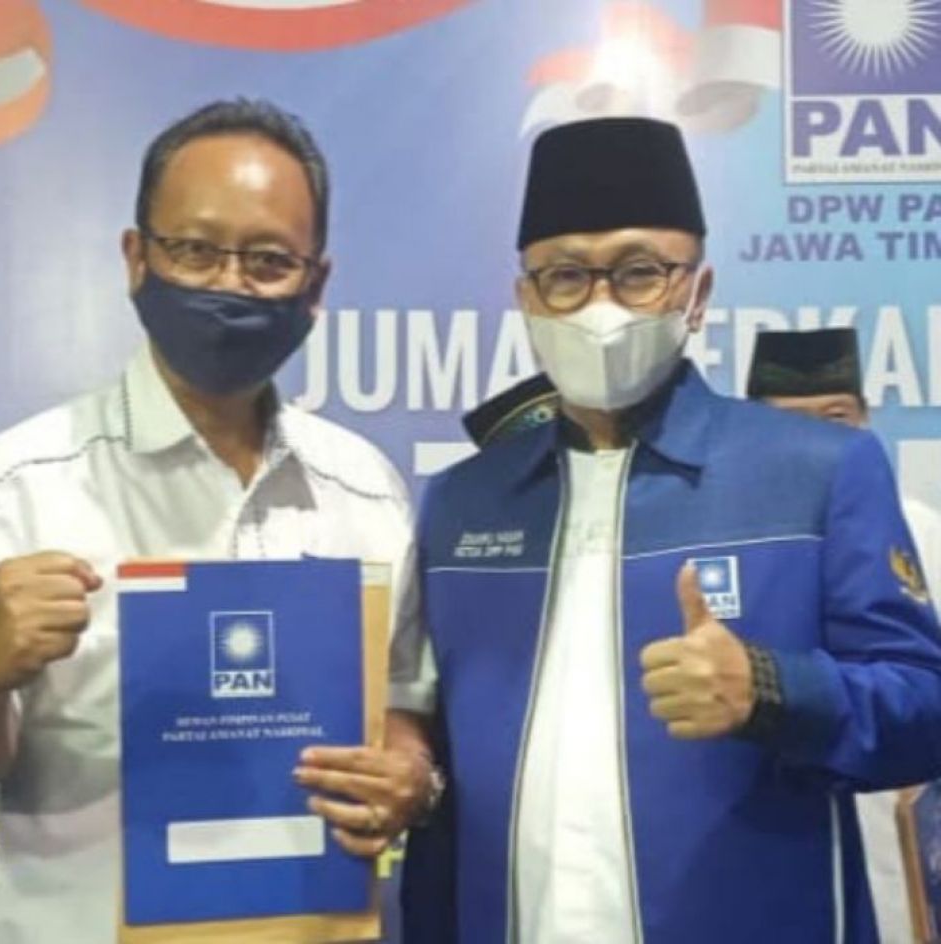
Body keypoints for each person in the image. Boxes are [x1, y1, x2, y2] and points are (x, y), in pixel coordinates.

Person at [393, 116, 941, 944]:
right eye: (566, 276)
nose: (601, 306)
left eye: (639, 272)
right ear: (527, 300)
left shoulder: (816, 471)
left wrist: (773, 689)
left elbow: (924, 712)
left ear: (697, 292)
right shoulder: (463, 502)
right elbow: (427, 752)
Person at [0, 98, 432, 943]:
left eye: (268, 261)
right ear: (136, 257)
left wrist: (409, 769)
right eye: (193, 250)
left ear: (315, 286)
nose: (228, 283)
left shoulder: (365, 489)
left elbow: (404, 698)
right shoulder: (16, 484)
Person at [747, 325, 941, 944]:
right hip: (773, 816)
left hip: (907, 805)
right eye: (791, 422)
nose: (821, 440)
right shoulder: (729, 539)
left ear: (866, 418)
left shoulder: (925, 531)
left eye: (836, 417)